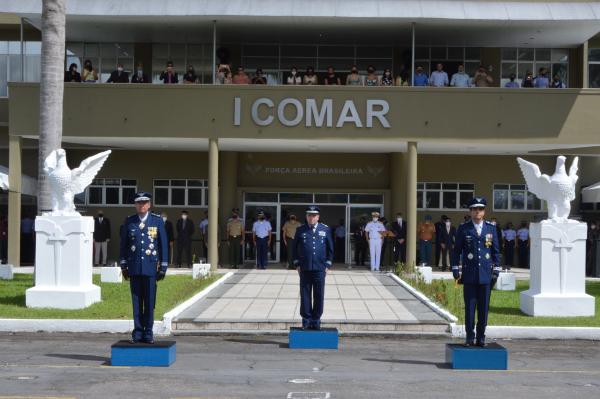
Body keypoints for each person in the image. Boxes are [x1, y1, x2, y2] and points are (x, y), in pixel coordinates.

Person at [119, 192, 168, 344]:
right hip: (134, 267)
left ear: (149, 205)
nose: (142, 205)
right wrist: (123, 264)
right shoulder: (130, 221)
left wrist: (163, 266)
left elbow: (163, 244)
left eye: (145, 202)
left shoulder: (157, 221)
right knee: (136, 302)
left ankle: (148, 332)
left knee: (149, 301)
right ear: (135, 205)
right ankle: (138, 332)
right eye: (139, 203)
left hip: (150, 267)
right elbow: (123, 245)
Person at [451, 197, 501, 347]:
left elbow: (496, 252)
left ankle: (481, 336)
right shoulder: (464, 228)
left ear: (484, 211)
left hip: (486, 275)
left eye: (480, 209)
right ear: (470, 211)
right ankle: (469, 337)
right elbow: (456, 251)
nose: (477, 212)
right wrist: (455, 268)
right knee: (470, 309)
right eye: (474, 209)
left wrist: (496, 270)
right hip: (470, 275)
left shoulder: (491, 228)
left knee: (484, 309)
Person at [293, 205, 333, 330]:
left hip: (320, 269)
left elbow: (330, 248)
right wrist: (297, 264)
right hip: (304, 268)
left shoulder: (325, 229)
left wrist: (327, 264)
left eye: (314, 215)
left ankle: (316, 319)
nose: (311, 217)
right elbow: (294, 248)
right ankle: (306, 319)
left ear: (318, 217)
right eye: (309, 215)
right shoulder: (300, 230)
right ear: (306, 216)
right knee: (305, 294)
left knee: (319, 294)